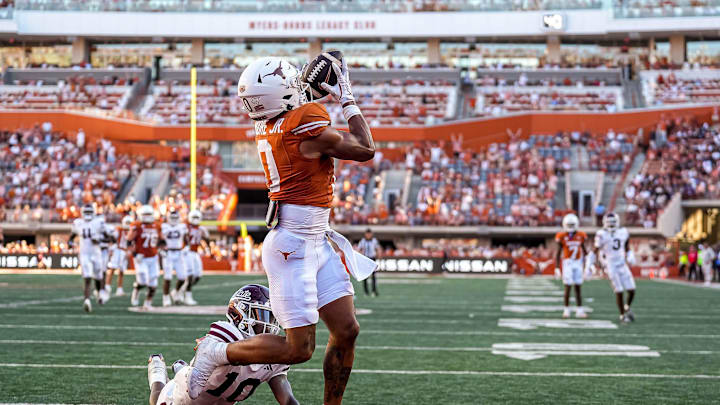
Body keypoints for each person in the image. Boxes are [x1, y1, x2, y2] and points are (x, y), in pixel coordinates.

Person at [188, 56, 376, 405]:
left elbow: (292, 105)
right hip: (293, 246)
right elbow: (366, 148)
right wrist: (346, 96)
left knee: (347, 330)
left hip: (315, 239)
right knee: (297, 349)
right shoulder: (301, 123)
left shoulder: (273, 122)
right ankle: (217, 352)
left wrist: (307, 91)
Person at [147, 284, 298, 405]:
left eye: (272, 318)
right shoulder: (230, 335)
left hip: (215, 396)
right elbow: (207, 349)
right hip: (183, 397)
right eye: (262, 316)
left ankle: (182, 367)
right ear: (241, 314)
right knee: (157, 398)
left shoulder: (274, 355)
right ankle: (157, 370)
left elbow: (287, 398)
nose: (269, 325)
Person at [594, 212, 637, 323]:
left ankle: (626, 306)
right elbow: (596, 250)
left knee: (632, 290)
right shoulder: (601, 234)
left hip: (622, 264)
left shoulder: (623, 232)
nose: (611, 225)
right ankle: (622, 315)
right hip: (611, 265)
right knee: (619, 290)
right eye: (609, 223)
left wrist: (630, 254)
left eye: (613, 223)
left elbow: (626, 246)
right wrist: (591, 264)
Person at [69, 204, 109, 312]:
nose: (87, 215)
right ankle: (87, 300)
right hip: (84, 254)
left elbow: (108, 238)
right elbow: (72, 236)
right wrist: (70, 242)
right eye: (85, 213)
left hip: (96, 253)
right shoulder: (78, 223)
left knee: (98, 276)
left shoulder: (99, 222)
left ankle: (99, 292)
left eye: (89, 212)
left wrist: (99, 241)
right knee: (87, 278)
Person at [128, 205, 162, 310]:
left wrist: (162, 250)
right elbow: (129, 241)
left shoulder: (157, 225)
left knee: (153, 282)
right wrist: (134, 254)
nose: (147, 217)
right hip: (141, 258)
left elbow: (162, 240)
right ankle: (136, 289)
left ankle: (148, 302)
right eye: (145, 215)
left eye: (149, 214)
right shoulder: (137, 226)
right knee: (143, 281)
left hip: (153, 257)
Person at [554, 213, 588, 319]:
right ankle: (566, 310)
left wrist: (589, 264)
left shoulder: (581, 235)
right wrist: (557, 267)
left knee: (578, 287)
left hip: (578, 262)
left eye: (572, 224)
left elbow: (584, 250)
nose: (571, 227)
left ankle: (579, 310)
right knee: (567, 287)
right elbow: (558, 253)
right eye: (569, 225)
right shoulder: (562, 236)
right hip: (568, 263)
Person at [161, 208, 188, 306]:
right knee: (167, 277)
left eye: (176, 217)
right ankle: (166, 297)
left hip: (179, 252)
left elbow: (186, 238)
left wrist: (187, 247)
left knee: (182, 277)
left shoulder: (182, 226)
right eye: (172, 217)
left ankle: (175, 291)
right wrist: (161, 249)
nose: (174, 219)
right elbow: (160, 239)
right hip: (168, 253)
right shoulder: (163, 226)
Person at [184, 209, 209, 306]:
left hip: (195, 252)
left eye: (197, 217)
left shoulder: (201, 229)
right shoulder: (186, 227)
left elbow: (205, 239)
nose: (195, 219)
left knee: (198, 275)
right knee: (190, 275)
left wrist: (206, 248)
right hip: (187, 252)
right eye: (194, 217)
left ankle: (183, 289)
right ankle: (187, 296)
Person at [105, 215, 133, 296]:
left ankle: (119, 289)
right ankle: (107, 286)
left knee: (121, 271)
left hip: (124, 251)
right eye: (127, 223)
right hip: (118, 250)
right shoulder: (119, 230)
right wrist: (111, 248)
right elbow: (112, 238)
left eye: (129, 223)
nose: (128, 224)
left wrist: (129, 251)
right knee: (112, 269)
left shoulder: (132, 231)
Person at [357, 228, 381, 296]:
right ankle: (366, 292)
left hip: (372, 258)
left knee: (374, 276)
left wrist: (378, 256)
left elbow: (378, 248)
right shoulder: (363, 241)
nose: (368, 235)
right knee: (365, 276)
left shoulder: (374, 240)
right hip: (365, 259)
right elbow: (359, 249)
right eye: (367, 234)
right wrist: (360, 256)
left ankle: (374, 291)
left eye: (369, 234)